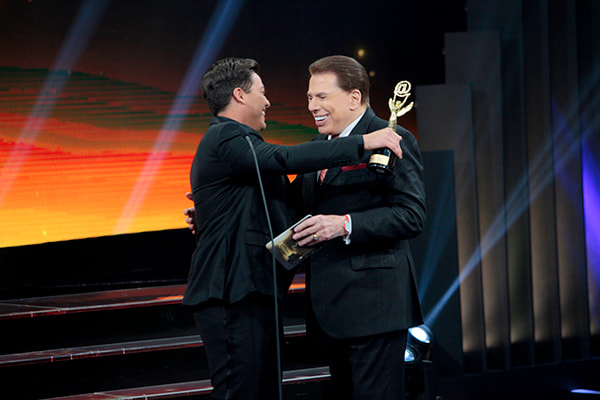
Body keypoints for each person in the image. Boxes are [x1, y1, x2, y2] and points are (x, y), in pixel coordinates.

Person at [183, 57, 403, 400]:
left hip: (255, 290)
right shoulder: (226, 137)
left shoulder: (244, 146)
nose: (268, 101)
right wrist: (364, 143)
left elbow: (286, 205)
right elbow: (285, 159)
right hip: (229, 292)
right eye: (262, 92)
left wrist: (211, 213)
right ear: (240, 96)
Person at [289, 55, 427, 400]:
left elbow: (411, 215)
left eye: (322, 97)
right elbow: (288, 206)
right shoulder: (318, 148)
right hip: (330, 310)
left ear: (354, 97)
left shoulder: (393, 137)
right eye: (309, 97)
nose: (312, 106)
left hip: (375, 308)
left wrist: (345, 224)